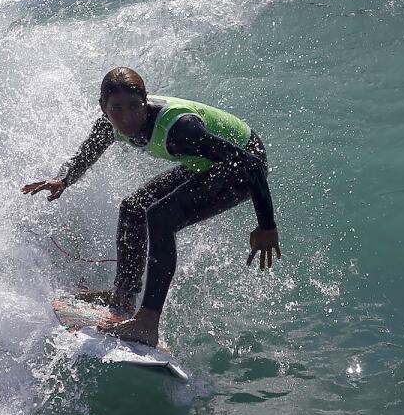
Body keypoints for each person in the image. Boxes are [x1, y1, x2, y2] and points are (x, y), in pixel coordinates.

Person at [23, 67, 281, 346]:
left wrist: (266, 225)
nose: (127, 117)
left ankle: (147, 323)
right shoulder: (109, 125)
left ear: (145, 102)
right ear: (103, 108)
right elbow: (86, 154)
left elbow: (251, 164)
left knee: (160, 216)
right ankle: (123, 298)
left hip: (242, 164)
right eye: (116, 109)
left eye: (135, 107)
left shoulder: (180, 130)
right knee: (134, 207)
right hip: (206, 162)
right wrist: (63, 179)